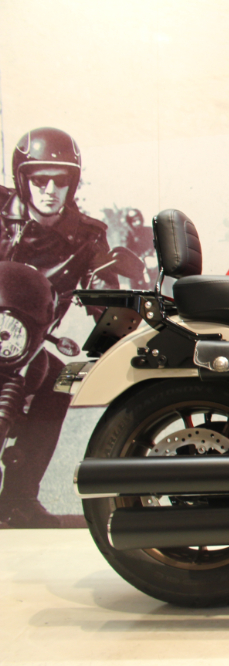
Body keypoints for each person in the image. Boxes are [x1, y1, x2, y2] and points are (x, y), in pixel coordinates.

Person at [0, 127, 119, 527]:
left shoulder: (87, 236)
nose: (50, 190)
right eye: (40, 180)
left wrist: (114, 328)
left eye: (61, 180)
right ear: (23, 180)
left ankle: (19, 498)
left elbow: (106, 298)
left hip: (24, 346)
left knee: (61, 378)